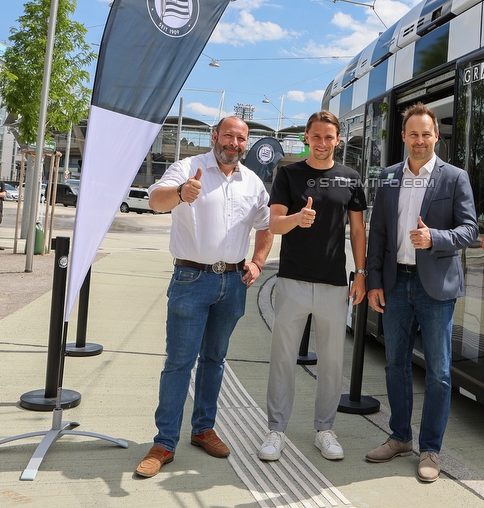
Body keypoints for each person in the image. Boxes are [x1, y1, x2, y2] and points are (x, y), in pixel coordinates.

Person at [135, 116, 273, 478]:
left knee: (215, 359)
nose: (234, 142)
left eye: (241, 138)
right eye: (228, 135)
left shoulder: (253, 182)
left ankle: (203, 429)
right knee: (180, 362)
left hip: (232, 282)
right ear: (215, 136)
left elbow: (266, 226)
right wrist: (181, 193)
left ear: (246, 144)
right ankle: (164, 443)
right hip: (191, 278)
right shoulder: (188, 168)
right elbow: (154, 201)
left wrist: (258, 263)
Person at [364, 102, 477, 483]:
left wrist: (435, 238)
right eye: (412, 134)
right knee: (395, 364)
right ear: (403, 137)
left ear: (436, 136)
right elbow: (378, 233)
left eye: (425, 134)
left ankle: (430, 448)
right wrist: (375, 280)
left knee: (439, 373)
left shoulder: (455, 177)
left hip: (435, 288)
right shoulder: (390, 177)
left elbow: (469, 231)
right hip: (396, 285)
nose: (419, 140)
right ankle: (399, 438)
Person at [257, 110, 368, 462]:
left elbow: (358, 230)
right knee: (283, 358)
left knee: (333, 361)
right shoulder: (288, 174)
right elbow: (274, 224)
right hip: (291, 279)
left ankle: (325, 429)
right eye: (316, 136)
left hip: (334, 283)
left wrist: (361, 273)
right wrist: (297, 218)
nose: (322, 143)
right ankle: (276, 430)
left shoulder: (351, 178)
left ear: (338, 140)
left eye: (329, 137)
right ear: (306, 137)